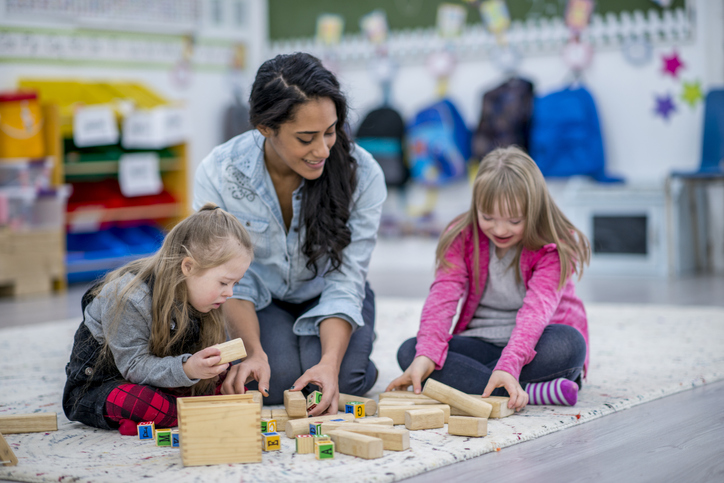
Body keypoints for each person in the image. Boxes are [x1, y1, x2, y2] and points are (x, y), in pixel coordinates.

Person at [193, 52, 386, 415]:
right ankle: (340, 352)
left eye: (330, 132)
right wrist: (252, 350)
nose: (323, 149)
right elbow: (233, 281)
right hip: (261, 300)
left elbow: (346, 279)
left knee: (338, 379)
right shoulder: (220, 172)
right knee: (272, 382)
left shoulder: (364, 173)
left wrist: (329, 363)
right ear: (265, 128)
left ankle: (351, 353)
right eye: (306, 138)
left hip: (329, 293)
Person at [386, 146, 590, 410]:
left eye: (514, 220)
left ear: (535, 210)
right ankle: (531, 391)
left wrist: (510, 363)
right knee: (412, 352)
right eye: (488, 217)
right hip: (481, 341)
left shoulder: (553, 247)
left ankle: (491, 381)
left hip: (536, 343)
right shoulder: (462, 236)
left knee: (570, 344)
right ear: (476, 207)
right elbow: (443, 296)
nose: (500, 229)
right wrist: (426, 353)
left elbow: (536, 313)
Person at [62, 204, 254, 435]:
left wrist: (210, 368)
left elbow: (192, 361)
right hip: (104, 384)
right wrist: (189, 368)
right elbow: (134, 366)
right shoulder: (129, 296)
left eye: (235, 283)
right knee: (147, 404)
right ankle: (167, 412)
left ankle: (160, 414)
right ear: (188, 267)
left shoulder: (203, 297)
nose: (230, 293)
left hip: (156, 376)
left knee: (226, 379)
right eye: (224, 283)